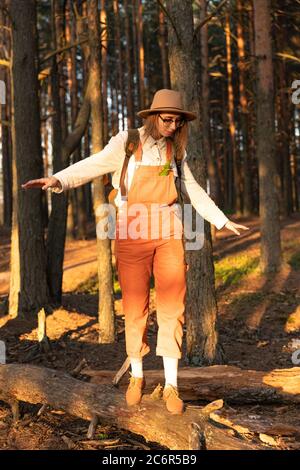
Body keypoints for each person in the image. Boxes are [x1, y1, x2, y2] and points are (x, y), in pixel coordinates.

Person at [22, 89, 249, 415]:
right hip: (131, 229)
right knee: (134, 306)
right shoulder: (127, 142)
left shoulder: (175, 150)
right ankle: (137, 375)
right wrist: (57, 180)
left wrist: (221, 219)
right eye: (167, 119)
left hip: (169, 230)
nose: (172, 126)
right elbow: (94, 164)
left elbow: (192, 188)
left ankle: (172, 385)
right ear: (153, 116)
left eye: (177, 121)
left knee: (173, 306)